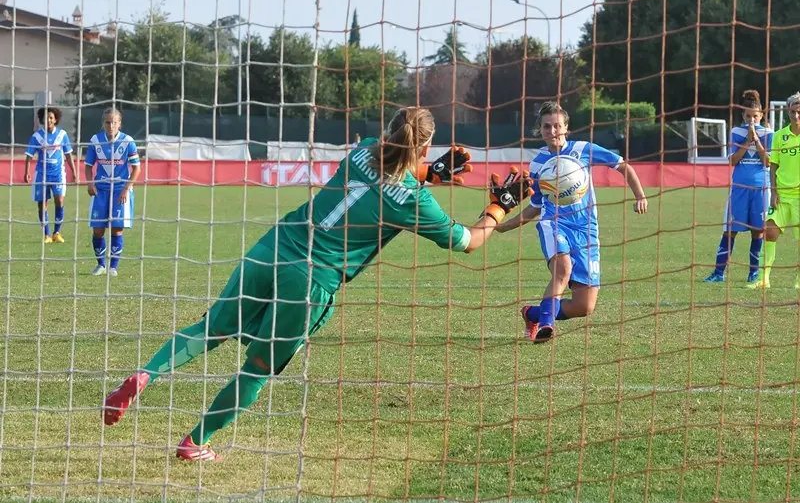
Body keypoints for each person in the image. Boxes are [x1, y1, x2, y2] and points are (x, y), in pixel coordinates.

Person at [101, 107, 532, 461]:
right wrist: (497, 207)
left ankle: (144, 375)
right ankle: (196, 442)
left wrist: (430, 172)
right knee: (260, 367)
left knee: (210, 327)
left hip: (272, 249)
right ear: (423, 146)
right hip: (310, 280)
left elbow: (387, 167)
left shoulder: (361, 152)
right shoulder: (414, 202)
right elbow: (468, 241)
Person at [496, 101, 648, 343]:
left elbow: (623, 166)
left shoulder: (583, 149)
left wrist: (640, 195)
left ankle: (533, 313)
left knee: (584, 306)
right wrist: (508, 223)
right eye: (547, 127)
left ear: (566, 127)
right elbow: (537, 205)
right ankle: (547, 326)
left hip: (587, 231)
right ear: (541, 130)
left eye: (557, 126)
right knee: (563, 269)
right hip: (553, 224)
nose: (552, 131)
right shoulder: (538, 164)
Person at [704, 90, 773, 284]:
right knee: (729, 230)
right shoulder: (736, 132)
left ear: (761, 115)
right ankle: (718, 273)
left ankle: (754, 273)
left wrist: (756, 140)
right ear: (743, 115)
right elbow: (733, 160)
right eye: (748, 116)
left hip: (761, 188)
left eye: (756, 116)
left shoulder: (769, 134)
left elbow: (767, 162)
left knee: (758, 231)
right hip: (739, 188)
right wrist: (747, 141)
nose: (752, 120)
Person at [748, 92, 800, 289]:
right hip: (782, 195)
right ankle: (764, 279)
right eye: (793, 112)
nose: (796, 116)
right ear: (788, 111)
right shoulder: (779, 136)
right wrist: (774, 191)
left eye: (799, 112)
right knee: (769, 232)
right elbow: (774, 166)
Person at [84, 108, 141, 276]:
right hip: (100, 191)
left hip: (119, 191)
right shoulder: (95, 141)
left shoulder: (127, 141)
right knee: (98, 229)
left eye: (114, 122)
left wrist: (126, 188)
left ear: (120, 124)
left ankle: (113, 267)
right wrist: (90, 183)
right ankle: (101, 265)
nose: (111, 126)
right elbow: (88, 165)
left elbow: (136, 168)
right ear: (103, 123)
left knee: (117, 229)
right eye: (108, 122)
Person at [23, 107, 78, 243]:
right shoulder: (37, 136)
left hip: (58, 174)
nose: (48, 120)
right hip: (41, 175)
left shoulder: (62, 135)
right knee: (42, 204)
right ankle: (47, 235)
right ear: (42, 120)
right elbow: (29, 155)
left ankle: (57, 232)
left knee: (59, 200)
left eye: (51, 118)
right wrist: (27, 172)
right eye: (46, 118)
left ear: (55, 119)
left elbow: (68, 155)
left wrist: (74, 172)